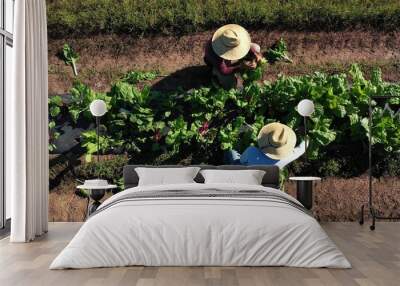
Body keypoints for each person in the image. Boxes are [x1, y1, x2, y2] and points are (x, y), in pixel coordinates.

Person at [204, 24, 263, 89]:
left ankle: (237, 64)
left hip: (225, 57)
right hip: (217, 63)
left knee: (256, 47)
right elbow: (224, 70)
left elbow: (247, 45)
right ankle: (214, 71)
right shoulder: (213, 52)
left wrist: (256, 54)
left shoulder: (232, 35)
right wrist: (240, 66)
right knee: (230, 83)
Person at [225, 122, 305, 169]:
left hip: (245, 172)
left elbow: (242, 160)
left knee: (230, 152)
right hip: (264, 178)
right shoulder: (289, 156)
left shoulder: (252, 151)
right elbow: (302, 148)